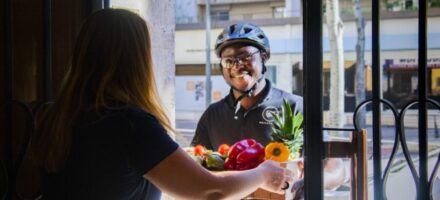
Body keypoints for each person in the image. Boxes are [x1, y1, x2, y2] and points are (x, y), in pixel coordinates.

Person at [31, 9, 293, 200]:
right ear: (138, 60)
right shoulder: (128, 123)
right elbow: (209, 189)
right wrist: (263, 174)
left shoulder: (55, 117)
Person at [191, 22, 345, 191]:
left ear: (263, 57)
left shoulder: (295, 107)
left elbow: (336, 167)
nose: (236, 65)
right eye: (228, 61)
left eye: (245, 57)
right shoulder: (213, 114)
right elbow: (194, 165)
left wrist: (312, 181)